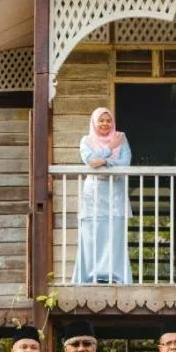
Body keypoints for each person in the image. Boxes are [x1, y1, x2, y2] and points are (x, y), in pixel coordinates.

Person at [72, 107, 133, 285]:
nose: (105, 124)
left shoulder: (121, 137)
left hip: (116, 194)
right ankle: (90, 276)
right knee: (92, 235)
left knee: (115, 235)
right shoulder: (87, 140)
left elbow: (126, 164)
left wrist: (104, 162)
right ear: (94, 122)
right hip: (94, 195)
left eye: (108, 120)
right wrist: (110, 149)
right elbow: (90, 162)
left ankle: (115, 277)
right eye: (101, 120)